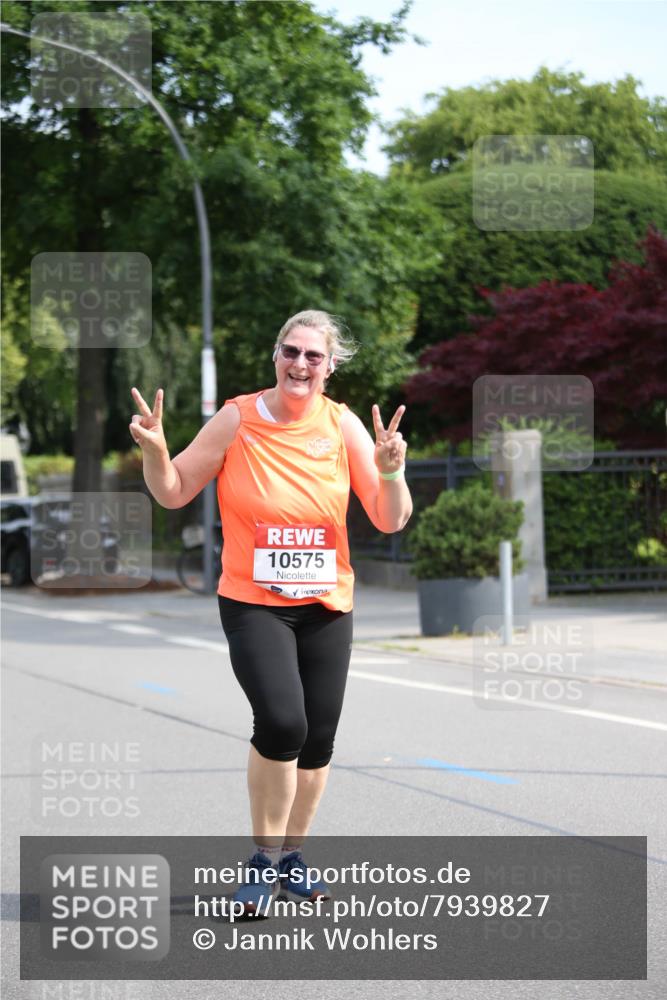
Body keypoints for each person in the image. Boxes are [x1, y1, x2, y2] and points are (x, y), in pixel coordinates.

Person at [129, 309, 412, 916]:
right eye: (291, 351)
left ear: (330, 366)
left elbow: (390, 518)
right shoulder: (238, 417)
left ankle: (292, 859)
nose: (300, 364)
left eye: (314, 356)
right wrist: (155, 450)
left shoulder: (342, 428)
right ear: (275, 355)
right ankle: (262, 859)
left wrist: (393, 473)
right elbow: (174, 489)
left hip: (327, 602)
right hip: (255, 602)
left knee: (319, 738)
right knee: (284, 723)